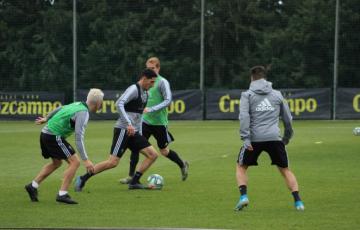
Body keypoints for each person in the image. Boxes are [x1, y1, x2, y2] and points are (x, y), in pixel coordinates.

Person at [74, 68, 159, 191]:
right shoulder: (134, 89)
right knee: (112, 162)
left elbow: (139, 116)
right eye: (151, 82)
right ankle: (83, 178)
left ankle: (134, 182)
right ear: (144, 79)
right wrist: (128, 124)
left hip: (133, 132)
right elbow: (119, 103)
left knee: (153, 155)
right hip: (123, 130)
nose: (153, 85)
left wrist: (139, 134)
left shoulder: (146, 94)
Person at [235, 66, 305, 211]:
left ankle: (243, 197)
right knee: (285, 170)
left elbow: (244, 117)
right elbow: (288, 118)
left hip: (254, 139)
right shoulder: (277, 94)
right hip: (274, 137)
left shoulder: (247, 95)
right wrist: (286, 138)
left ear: (251, 78)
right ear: (265, 77)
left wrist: (245, 138)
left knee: (241, 167)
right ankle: (298, 202)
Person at [25, 88, 104, 204]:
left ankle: (33, 186)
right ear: (97, 103)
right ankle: (62, 194)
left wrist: (47, 118)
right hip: (53, 136)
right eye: (101, 102)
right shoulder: (83, 113)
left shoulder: (78, 104)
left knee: (57, 163)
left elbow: (60, 108)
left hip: (46, 133)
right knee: (75, 162)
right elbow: (78, 138)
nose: (101, 104)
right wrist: (86, 160)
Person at [119, 57, 189, 184]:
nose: (150, 70)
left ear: (158, 68)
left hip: (159, 123)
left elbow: (168, 100)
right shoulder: (144, 81)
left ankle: (182, 164)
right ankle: (131, 177)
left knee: (164, 151)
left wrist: (151, 109)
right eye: (148, 68)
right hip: (144, 121)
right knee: (136, 146)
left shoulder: (162, 82)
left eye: (152, 68)